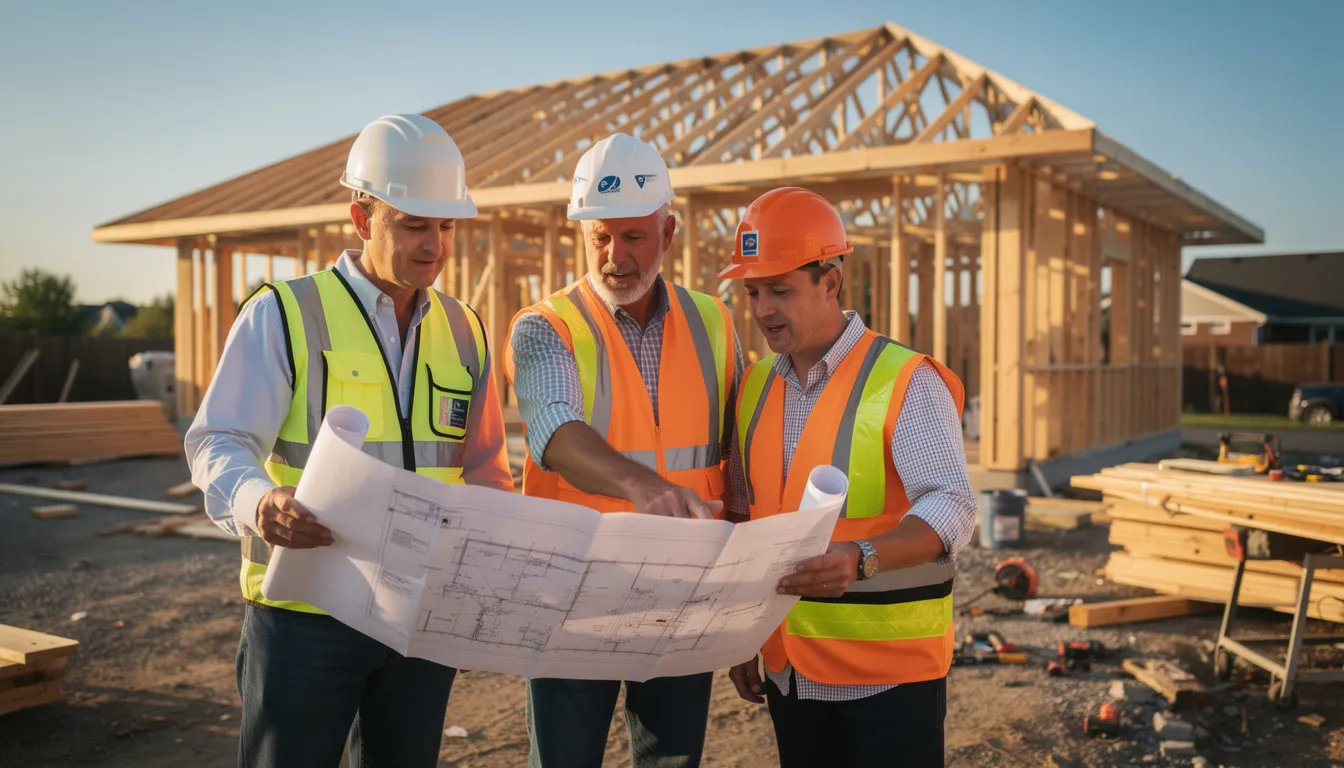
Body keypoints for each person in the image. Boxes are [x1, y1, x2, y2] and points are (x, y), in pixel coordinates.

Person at [184, 113, 513, 768]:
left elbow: (485, 474)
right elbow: (218, 440)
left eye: (446, 224)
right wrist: (258, 502)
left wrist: (474, 599)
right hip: (306, 619)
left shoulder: (464, 330)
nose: (435, 245)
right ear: (362, 219)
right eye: (414, 224)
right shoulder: (285, 314)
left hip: (419, 618)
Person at [503, 132, 745, 767]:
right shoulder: (545, 328)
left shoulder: (714, 324)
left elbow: (737, 460)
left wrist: (745, 609)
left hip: (682, 596)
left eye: (633, 237)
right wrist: (642, 487)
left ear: (669, 233)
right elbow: (554, 430)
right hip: (574, 602)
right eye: (599, 237)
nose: (614, 256)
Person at [720, 187, 976, 768]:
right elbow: (748, 516)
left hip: (888, 682)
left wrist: (862, 556)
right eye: (753, 291)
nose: (762, 310)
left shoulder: (904, 380)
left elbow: (953, 506)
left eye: (781, 290)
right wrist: (741, 635)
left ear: (830, 282)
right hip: (790, 675)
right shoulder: (755, 388)